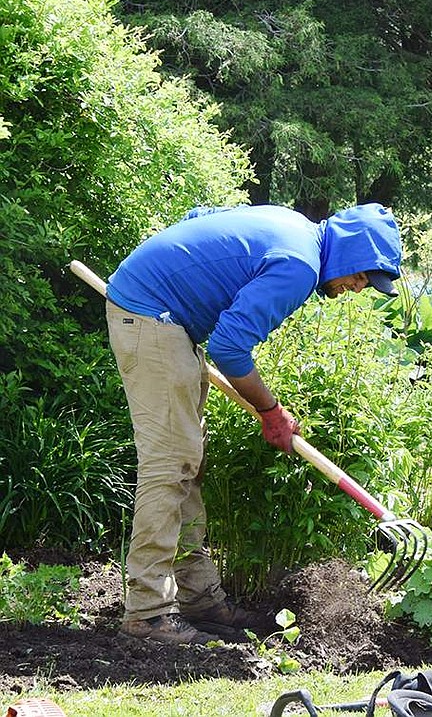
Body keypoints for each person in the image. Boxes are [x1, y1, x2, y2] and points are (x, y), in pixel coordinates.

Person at [104, 202, 403, 645]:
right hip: (153, 320)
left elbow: (197, 216)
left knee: (189, 463)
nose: (356, 289)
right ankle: (147, 614)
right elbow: (228, 347)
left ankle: (198, 599)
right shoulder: (300, 264)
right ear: (347, 254)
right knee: (170, 465)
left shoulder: (292, 226)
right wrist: (270, 411)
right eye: (360, 277)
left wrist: (177, 288)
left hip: (166, 320)